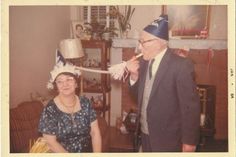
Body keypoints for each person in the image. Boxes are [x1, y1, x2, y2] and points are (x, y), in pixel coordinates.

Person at [126, 14, 200, 152]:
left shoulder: (181, 66)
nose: (139, 48)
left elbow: (191, 108)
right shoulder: (142, 63)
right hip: (145, 135)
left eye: (143, 42)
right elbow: (139, 98)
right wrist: (134, 76)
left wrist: (189, 142)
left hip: (169, 140)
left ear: (159, 42)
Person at [38, 52, 102, 152]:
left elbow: (95, 132)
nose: (65, 84)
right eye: (60, 81)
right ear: (56, 87)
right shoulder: (50, 109)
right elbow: (50, 142)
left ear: (76, 83)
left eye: (69, 79)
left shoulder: (85, 103)